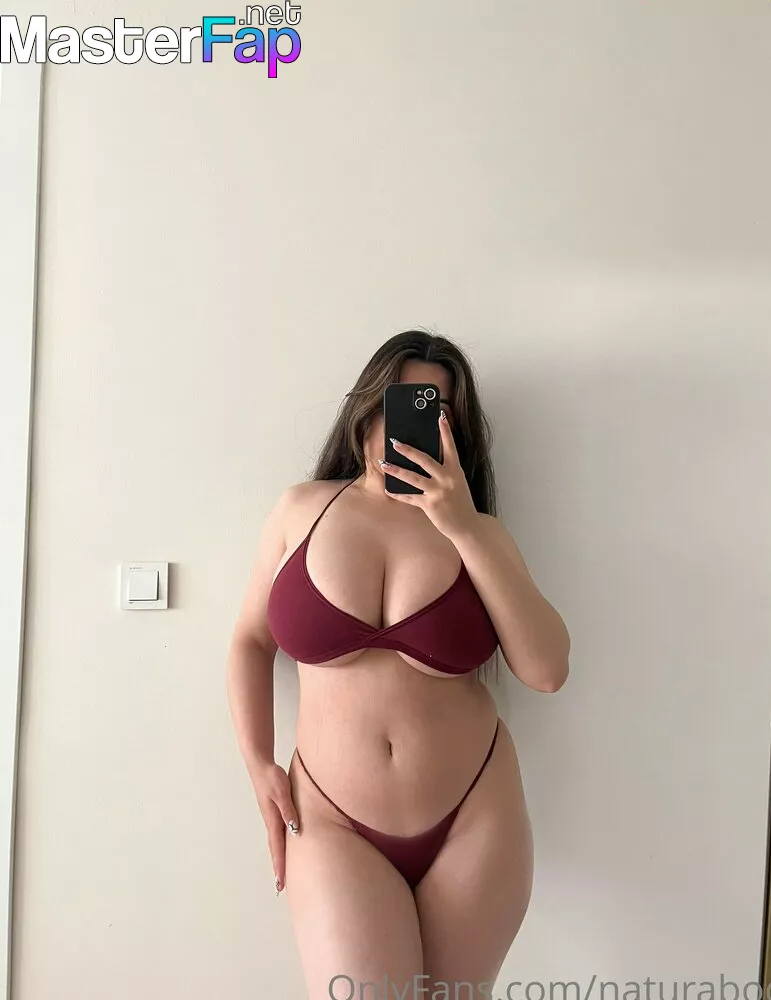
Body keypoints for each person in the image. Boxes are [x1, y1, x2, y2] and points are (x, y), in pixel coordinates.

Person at [226, 329, 570, 997]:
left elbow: (547, 670)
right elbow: (249, 640)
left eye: (438, 412)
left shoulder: (480, 533)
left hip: (474, 815)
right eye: (404, 404)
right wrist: (257, 762)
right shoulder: (301, 510)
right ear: (365, 411)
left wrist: (461, 523)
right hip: (329, 818)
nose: (412, 426)